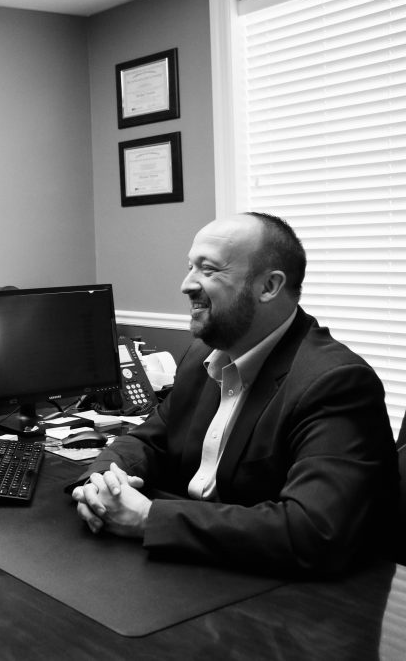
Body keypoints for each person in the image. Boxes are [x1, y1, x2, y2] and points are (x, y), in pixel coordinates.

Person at [70, 212, 398, 575]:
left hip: (278, 599)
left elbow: (314, 530)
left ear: (269, 286)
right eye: (189, 266)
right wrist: (101, 483)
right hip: (189, 568)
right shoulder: (202, 357)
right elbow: (149, 440)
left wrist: (148, 518)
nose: (186, 284)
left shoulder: (336, 382)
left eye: (208, 270)